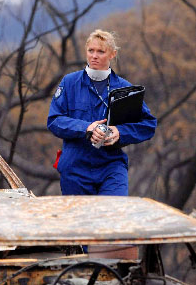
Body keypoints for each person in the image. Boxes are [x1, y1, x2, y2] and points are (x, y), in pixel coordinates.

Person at [47, 29, 157, 196]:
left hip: (111, 166)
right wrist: (86, 128)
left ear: (112, 54)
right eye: (91, 50)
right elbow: (54, 120)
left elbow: (148, 124)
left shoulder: (124, 88)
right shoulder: (69, 83)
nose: (94, 56)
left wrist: (120, 132)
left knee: (113, 216)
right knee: (79, 221)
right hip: (76, 167)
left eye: (101, 51)